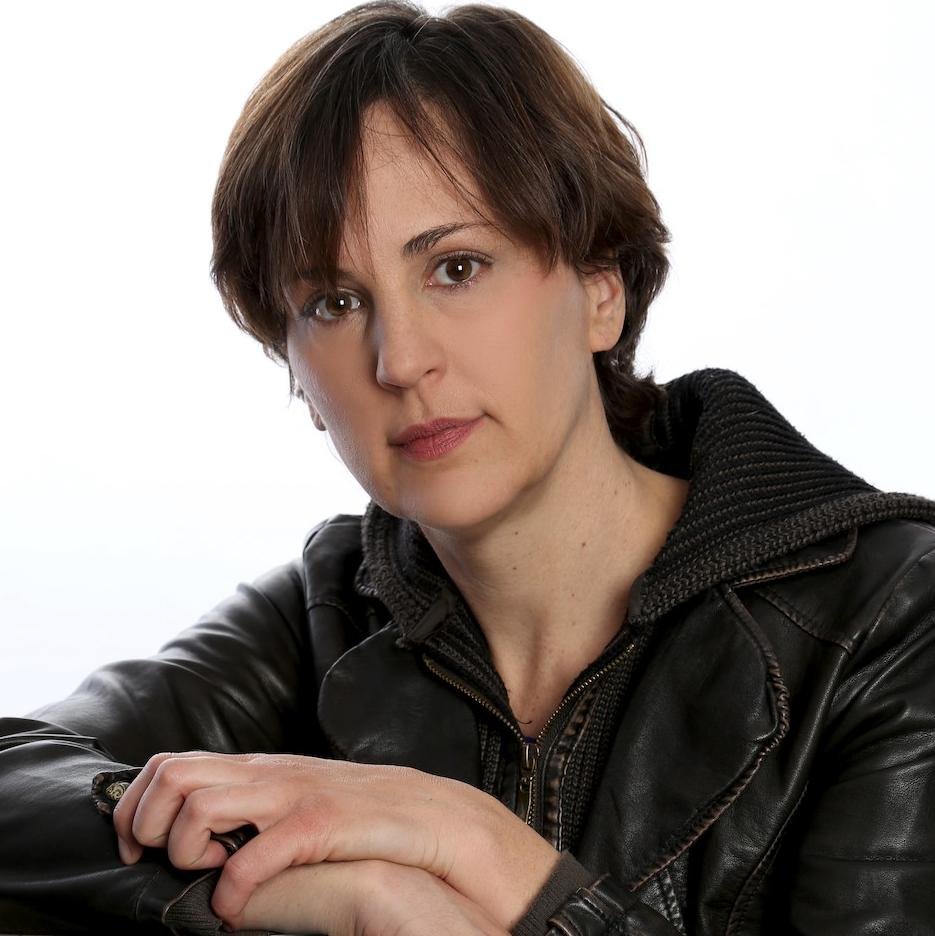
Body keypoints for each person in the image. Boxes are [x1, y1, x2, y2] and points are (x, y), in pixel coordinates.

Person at [2, 2, 935, 933]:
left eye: (455, 268)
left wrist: (482, 851)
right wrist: (360, 898)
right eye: (333, 300)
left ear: (600, 291)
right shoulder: (330, 609)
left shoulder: (892, 619)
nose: (399, 360)